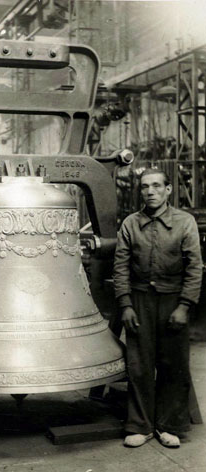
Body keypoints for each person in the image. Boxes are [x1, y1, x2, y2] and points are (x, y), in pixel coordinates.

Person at [113, 168, 203, 448]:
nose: (150, 191)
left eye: (156, 186)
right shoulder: (130, 224)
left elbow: (195, 267)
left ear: (168, 190)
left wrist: (184, 306)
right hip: (140, 301)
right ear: (140, 192)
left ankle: (169, 425)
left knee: (173, 365)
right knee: (138, 365)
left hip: (173, 300)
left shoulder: (184, 222)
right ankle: (141, 426)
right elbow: (121, 267)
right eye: (144, 187)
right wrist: (126, 304)